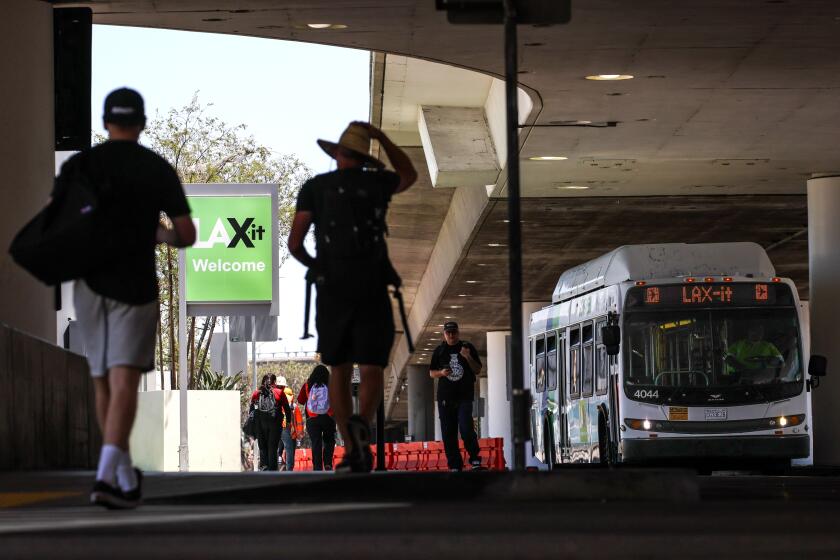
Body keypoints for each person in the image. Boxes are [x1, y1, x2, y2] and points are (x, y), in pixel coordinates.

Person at [66, 88, 195, 509]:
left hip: (88, 284)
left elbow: (61, 220)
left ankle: (122, 473)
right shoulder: (155, 169)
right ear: (141, 124)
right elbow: (187, 235)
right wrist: (158, 232)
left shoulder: (82, 165)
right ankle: (106, 476)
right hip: (133, 286)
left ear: (106, 122)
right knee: (125, 382)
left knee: (103, 379)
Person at [288, 122, 417, 473]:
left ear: (338, 154)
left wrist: (320, 268)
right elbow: (409, 174)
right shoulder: (377, 184)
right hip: (373, 286)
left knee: (339, 369)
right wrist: (384, 138)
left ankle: (352, 446)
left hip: (333, 291)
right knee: (373, 366)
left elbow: (295, 243)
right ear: (364, 157)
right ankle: (363, 430)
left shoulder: (315, 188)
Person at [429, 321, 483, 471]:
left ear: (458, 332)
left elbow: (478, 369)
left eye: (454, 332)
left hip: (464, 397)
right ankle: (455, 465)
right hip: (445, 399)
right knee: (448, 433)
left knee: (466, 429)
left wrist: (467, 357)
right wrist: (442, 373)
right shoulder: (439, 351)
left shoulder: (467, 347)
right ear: (444, 334)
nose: (451, 335)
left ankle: (475, 459)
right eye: (448, 333)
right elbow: (431, 372)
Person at [298, 365, 337, 471]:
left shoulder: (307, 385)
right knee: (329, 440)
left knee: (316, 442)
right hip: (328, 417)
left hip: (312, 418)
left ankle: (317, 467)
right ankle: (328, 463)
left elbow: (300, 400)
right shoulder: (331, 385)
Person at [251, 374, 292, 471]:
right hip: (275, 423)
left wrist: (253, 424)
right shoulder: (279, 392)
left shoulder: (257, 393)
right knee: (273, 447)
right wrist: (289, 422)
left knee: (263, 446)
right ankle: (273, 470)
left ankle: (264, 466)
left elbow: (251, 409)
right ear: (274, 382)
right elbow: (287, 408)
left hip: (260, 424)